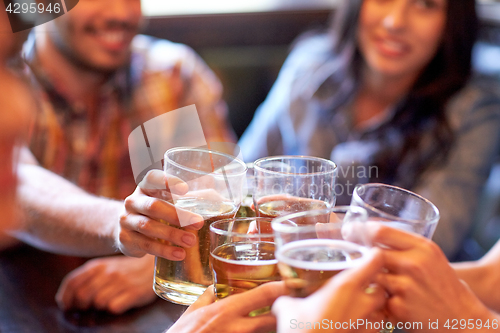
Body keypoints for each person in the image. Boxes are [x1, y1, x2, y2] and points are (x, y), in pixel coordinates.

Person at [7, 0, 234, 315]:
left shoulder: (174, 74)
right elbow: (19, 184)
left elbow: (223, 204)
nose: (121, 13)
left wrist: (157, 260)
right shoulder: (10, 80)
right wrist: (126, 226)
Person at [238, 0, 500, 260]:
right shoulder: (310, 66)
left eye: (425, 4)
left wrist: (323, 226)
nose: (394, 22)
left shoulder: (474, 108)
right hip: (293, 276)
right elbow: (245, 177)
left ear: (453, 23)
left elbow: (428, 244)